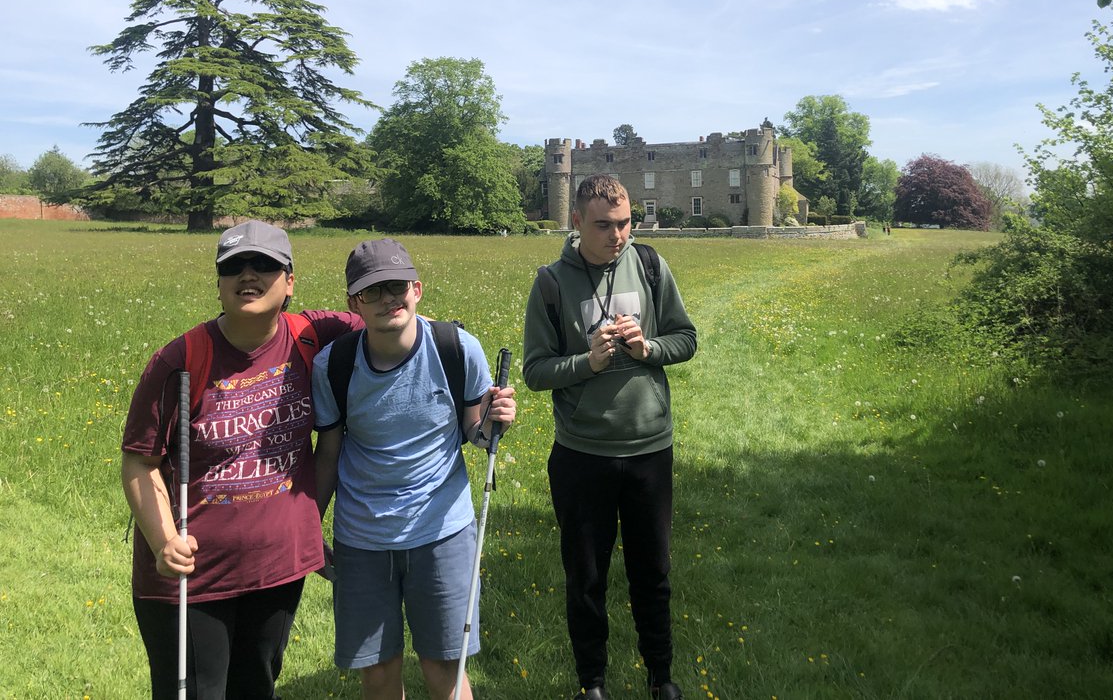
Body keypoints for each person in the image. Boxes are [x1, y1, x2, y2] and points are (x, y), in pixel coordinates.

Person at [121, 220, 363, 699]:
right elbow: (140, 461)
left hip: (278, 564)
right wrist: (164, 540)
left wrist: (471, 382)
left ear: (290, 280)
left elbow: (390, 324)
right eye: (233, 266)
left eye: (264, 265)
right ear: (219, 283)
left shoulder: (315, 336)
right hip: (192, 571)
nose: (247, 275)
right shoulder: (181, 359)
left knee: (256, 687)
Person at [312, 238, 517, 700]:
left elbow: (476, 435)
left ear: (417, 289)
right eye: (373, 290)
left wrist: (493, 422)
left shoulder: (456, 348)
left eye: (398, 285)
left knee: (445, 669)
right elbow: (327, 452)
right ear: (354, 303)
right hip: (363, 539)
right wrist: (308, 528)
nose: (389, 297)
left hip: (443, 534)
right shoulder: (335, 365)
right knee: (379, 675)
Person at [523, 174, 697, 700]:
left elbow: (686, 338)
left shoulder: (649, 265)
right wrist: (587, 362)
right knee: (587, 577)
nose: (617, 235)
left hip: (649, 447)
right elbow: (534, 371)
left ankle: (661, 679)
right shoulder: (552, 282)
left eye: (625, 224)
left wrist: (648, 349)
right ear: (576, 222)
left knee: (654, 573)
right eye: (604, 226)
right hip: (582, 454)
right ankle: (591, 684)